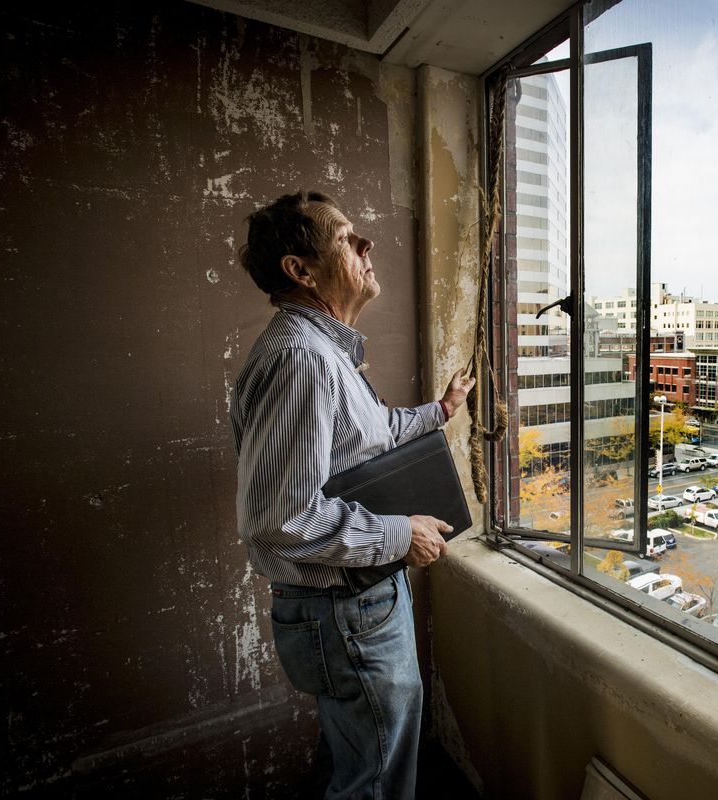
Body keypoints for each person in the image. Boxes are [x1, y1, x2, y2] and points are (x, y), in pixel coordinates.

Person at [230, 190, 474, 799]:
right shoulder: (303, 357)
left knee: (363, 761)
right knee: (377, 782)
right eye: (344, 237)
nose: (366, 244)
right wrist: (401, 533)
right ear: (300, 270)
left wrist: (441, 410)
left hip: (347, 608)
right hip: (346, 610)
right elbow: (280, 519)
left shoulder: (321, 352)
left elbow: (371, 436)